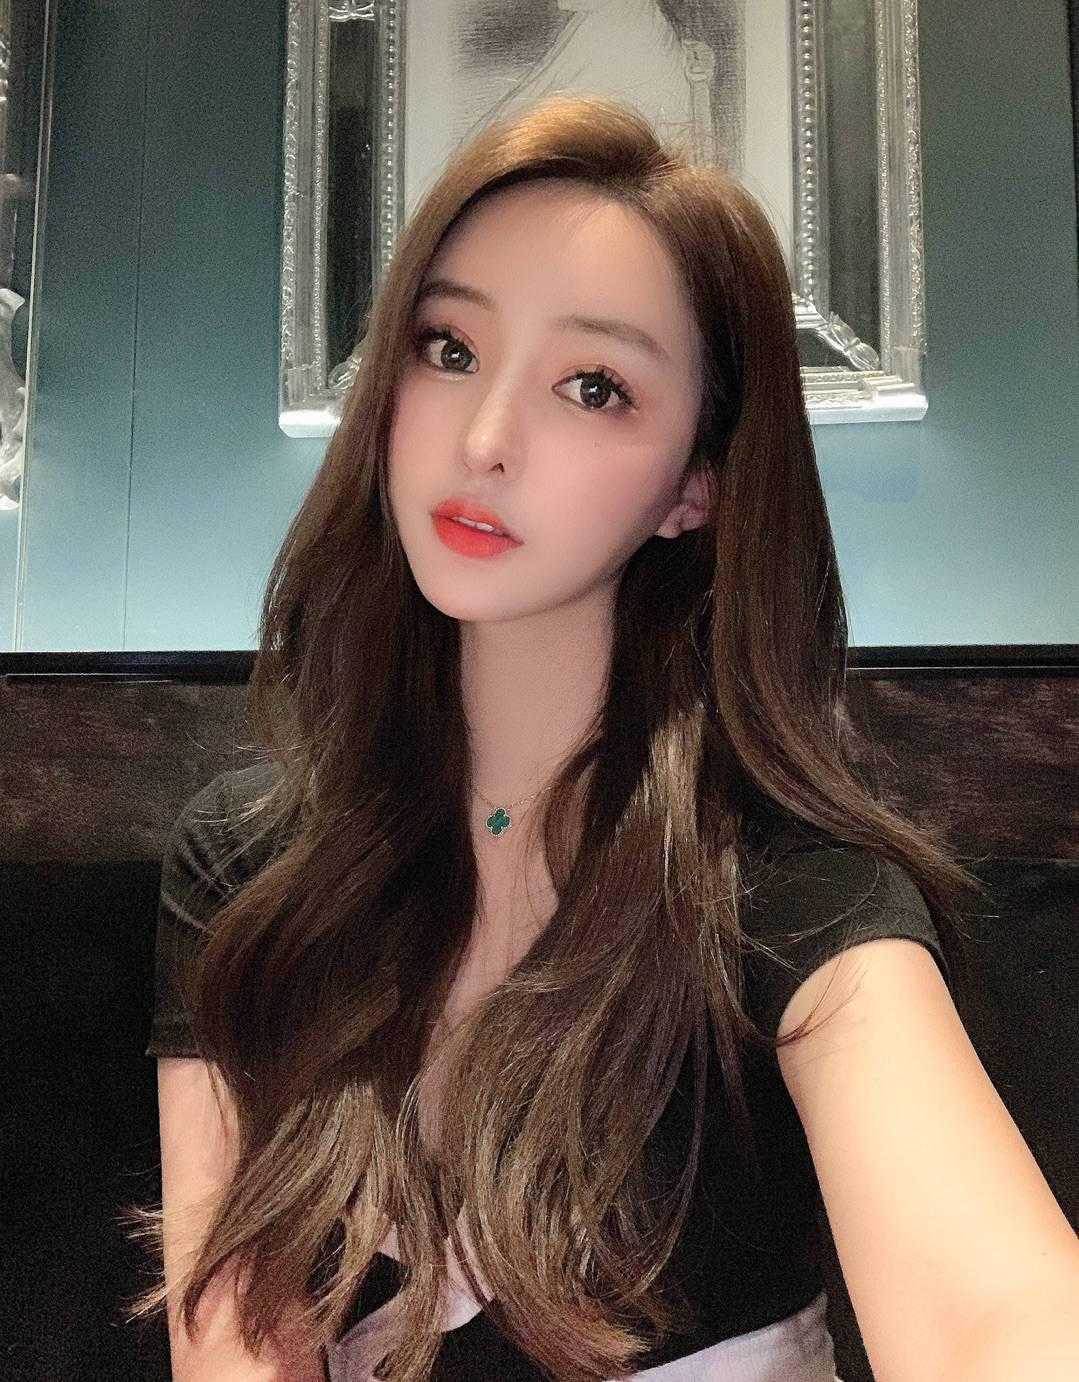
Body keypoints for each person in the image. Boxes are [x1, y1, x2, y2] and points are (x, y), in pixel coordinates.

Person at [121, 93, 1079, 1381]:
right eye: (449, 347)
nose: (485, 439)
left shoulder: (785, 892)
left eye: (593, 387)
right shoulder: (252, 865)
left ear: (695, 484)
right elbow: (234, 1339)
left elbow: (994, 1316)